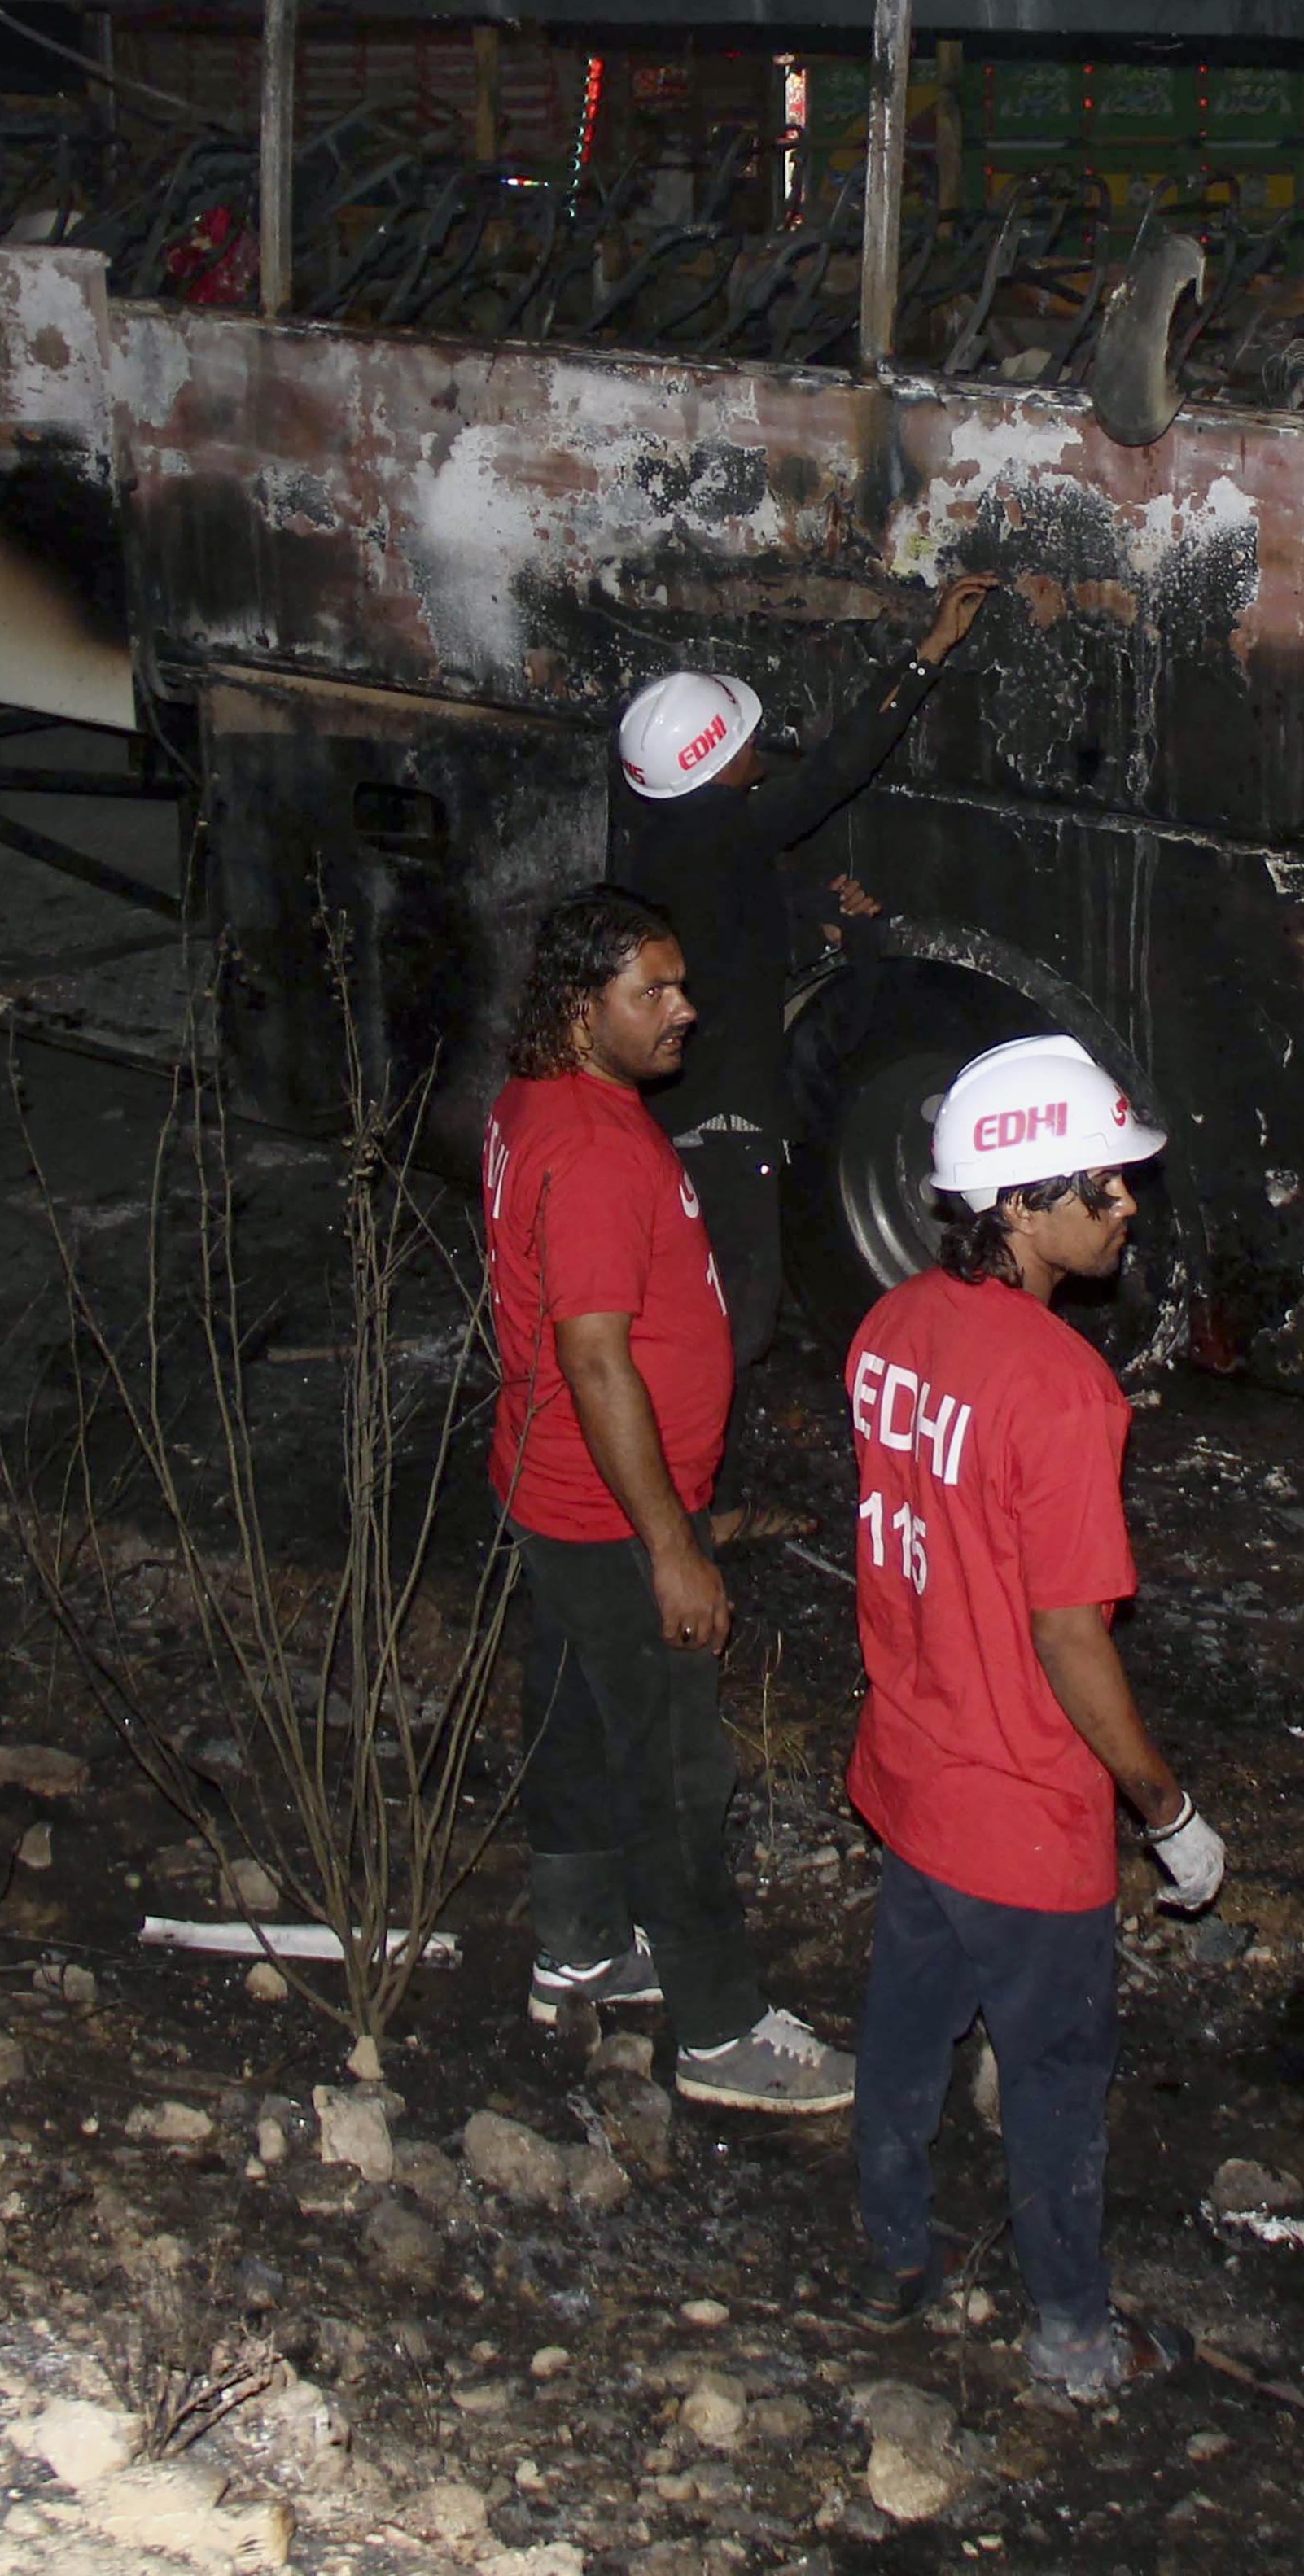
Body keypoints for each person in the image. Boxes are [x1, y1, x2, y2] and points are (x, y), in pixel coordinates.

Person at [840, 1034, 1223, 2399]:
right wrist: (1165, 1808)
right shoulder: (1063, 1391)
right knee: (1057, 2077)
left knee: (905, 2030)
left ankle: (889, 2256)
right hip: (1020, 1810)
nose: (1128, 1211)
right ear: (1017, 1202)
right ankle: (1072, 2336)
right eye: (1104, 1191)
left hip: (914, 1768)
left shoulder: (891, 1329)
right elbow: (1072, 1636)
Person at [481, 885, 853, 2112]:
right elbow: (596, 1354)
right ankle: (719, 2029)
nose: (685, 1007)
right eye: (655, 990)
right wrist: (671, 1550)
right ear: (583, 1009)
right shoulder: (589, 1147)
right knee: (680, 1769)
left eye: (681, 980)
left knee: (580, 1723)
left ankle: (579, 1952)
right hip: (607, 1509)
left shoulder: (549, 1100)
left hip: (557, 1488)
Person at [608, 571, 1000, 1371]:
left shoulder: (663, 843)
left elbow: (732, 920)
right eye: (742, 734)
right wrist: (929, 651)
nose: (759, 742)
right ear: (713, 763)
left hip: (666, 1108)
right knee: (736, 1318)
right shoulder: (735, 832)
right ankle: (684, 1483)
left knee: (686, 1287)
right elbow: (835, 772)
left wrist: (812, 909)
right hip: (724, 1120)